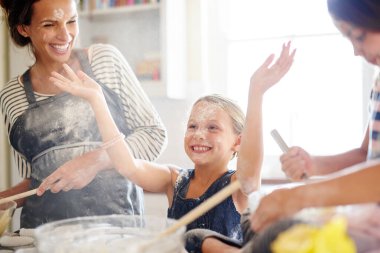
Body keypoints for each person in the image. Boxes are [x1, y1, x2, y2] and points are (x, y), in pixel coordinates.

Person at [40, 41, 295, 248]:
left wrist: (256, 92)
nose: (198, 134)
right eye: (192, 126)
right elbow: (127, 166)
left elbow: (250, 177)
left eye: (212, 128)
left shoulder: (236, 186)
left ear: (238, 142)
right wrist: (97, 100)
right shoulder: (173, 180)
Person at [0, 0, 167, 228]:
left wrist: (96, 161)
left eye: (71, 21)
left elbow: (153, 135)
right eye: (50, 24)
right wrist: (3, 200)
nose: (65, 35)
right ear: (24, 28)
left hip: (117, 233)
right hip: (45, 237)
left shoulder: (103, 61)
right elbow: (35, 179)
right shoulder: (12, 96)